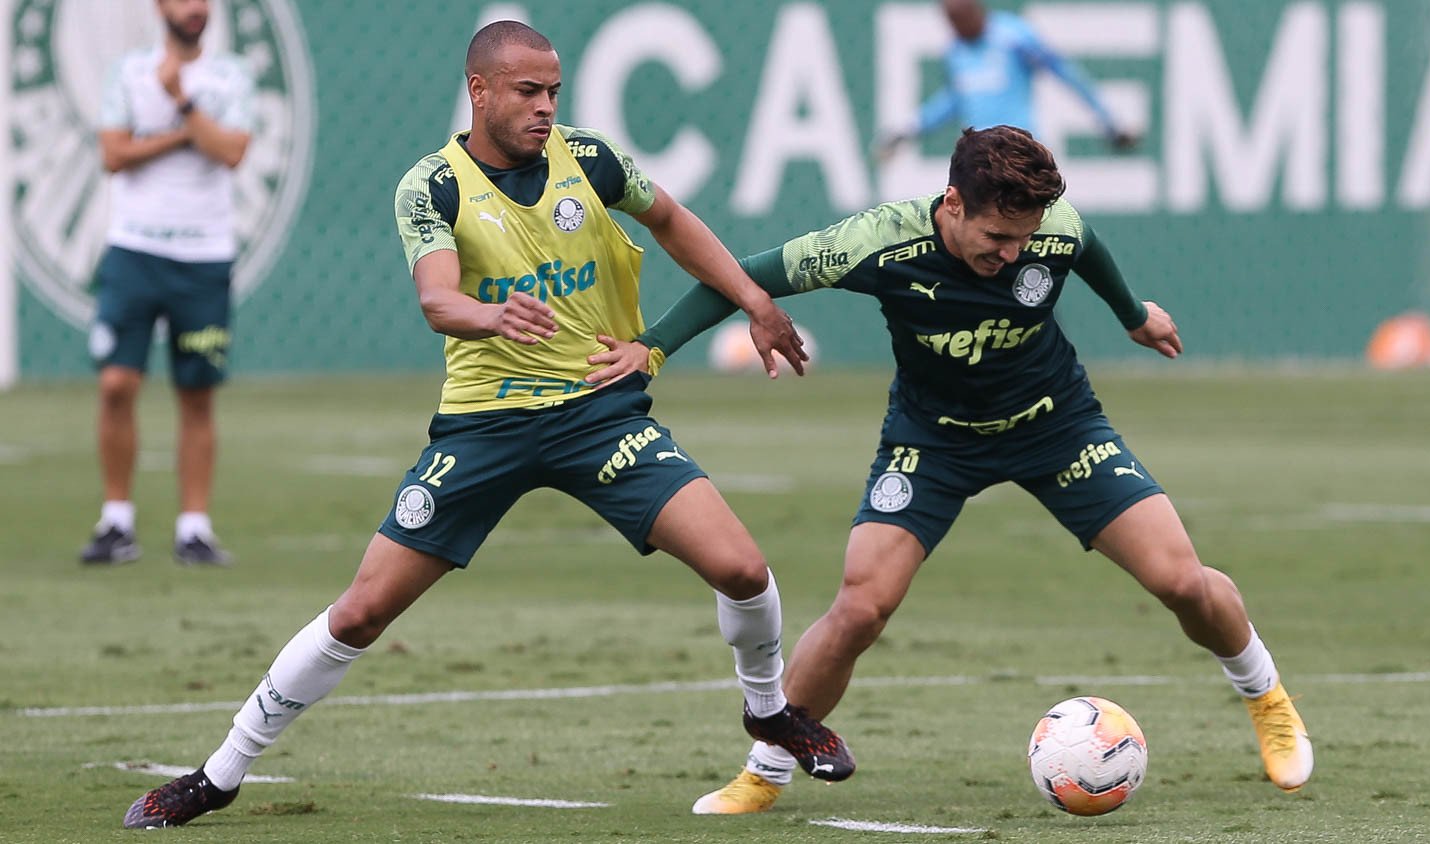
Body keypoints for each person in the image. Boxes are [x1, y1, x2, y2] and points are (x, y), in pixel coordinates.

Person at [119, 20, 854, 829]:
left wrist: (753, 301)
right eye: (528, 92)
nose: (546, 108)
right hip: (484, 429)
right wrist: (490, 315)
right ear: (479, 91)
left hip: (596, 414)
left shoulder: (591, 160)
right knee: (361, 611)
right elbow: (437, 299)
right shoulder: (431, 186)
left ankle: (768, 711)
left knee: (743, 569)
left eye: (554, 92)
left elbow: (673, 221)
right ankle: (220, 773)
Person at [588, 125, 1313, 814]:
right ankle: (767, 770)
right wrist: (655, 345)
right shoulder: (876, 242)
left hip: (1056, 426)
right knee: (860, 607)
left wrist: (1132, 315)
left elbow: (1085, 247)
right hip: (931, 441)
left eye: (1024, 238)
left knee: (1181, 580)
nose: (1013, 254)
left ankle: (1268, 699)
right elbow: (740, 276)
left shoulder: (1052, 230)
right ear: (954, 204)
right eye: (997, 238)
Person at [81, 0, 253, 566]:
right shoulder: (129, 72)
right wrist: (186, 136)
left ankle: (194, 529)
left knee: (197, 393)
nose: (195, 8)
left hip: (204, 257)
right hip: (134, 250)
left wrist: (180, 103)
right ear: (161, 7)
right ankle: (116, 522)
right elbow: (113, 154)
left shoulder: (231, 75)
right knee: (116, 384)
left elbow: (231, 151)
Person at [876, 0, 1136, 161]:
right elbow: (956, 100)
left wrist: (1109, 122)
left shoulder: (1014, 37)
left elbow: (1064, 73)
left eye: (961, 17)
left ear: (977, 9)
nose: (957, 26)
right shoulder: (956, 52)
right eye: (952, 21)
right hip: (978, 154)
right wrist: (910, 128)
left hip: (1019, 147)